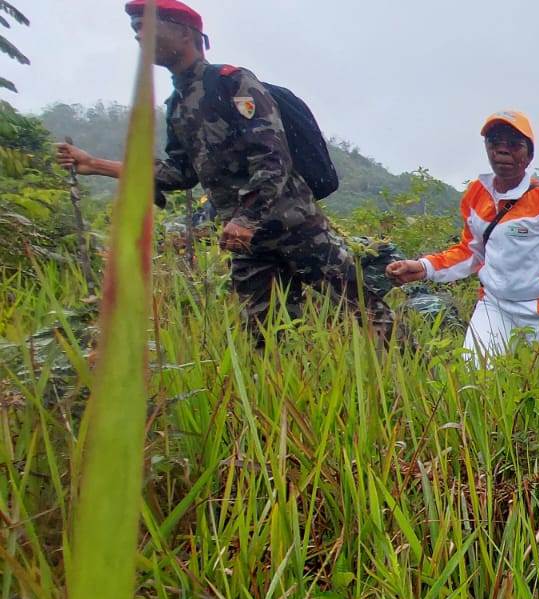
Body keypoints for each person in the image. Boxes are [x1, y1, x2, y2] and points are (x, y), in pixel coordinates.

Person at [55, 0, 394, 347]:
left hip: (295, 225)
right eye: (135, 30)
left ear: (185, 33)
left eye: (147, 27)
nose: (140, 37)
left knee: (361, 308)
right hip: (248, 242)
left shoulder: (233, 83)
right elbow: (179, 173)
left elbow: (272, 156)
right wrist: (96, 165)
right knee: (264, 334)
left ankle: (415, 376)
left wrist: (247, 217)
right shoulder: (178, 106)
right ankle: (284, 395)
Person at [385, 112, 539, 360]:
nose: (502, 151)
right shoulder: (476, 194)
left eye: (513, 144)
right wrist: (423, 267)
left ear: (529, 155)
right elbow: (470, 251)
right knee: (476, 378)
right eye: (494, 142)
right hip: (494, 306)